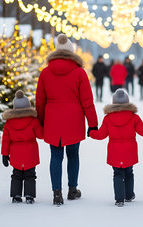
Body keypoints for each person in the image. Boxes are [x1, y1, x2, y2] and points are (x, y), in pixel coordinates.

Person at [36, 34, 98, 206]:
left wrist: (40, 121)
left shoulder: (45, 73)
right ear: (71, 52)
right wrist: (93, 124)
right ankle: (72, 189)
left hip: (53, 119)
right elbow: (87, 101)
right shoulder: (79, 72)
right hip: (74, 119)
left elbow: (39, 101)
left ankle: (57, 193)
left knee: (55, 156)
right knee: (73, 155)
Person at [89, 89, 143, 207]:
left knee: (117, 174)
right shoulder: (134, 117)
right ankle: (129, 195)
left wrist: (91, 132)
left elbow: (101, 135)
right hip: (129, 151)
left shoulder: (108, 118)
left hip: (114, 152)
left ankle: (119, 199)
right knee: (129, 172)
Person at [1, 90, 43, 204]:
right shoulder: (33, 121)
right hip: (30, 152)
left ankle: (16, 195)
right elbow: (40, 135)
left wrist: (5, 154)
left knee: (16, 175)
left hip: (16, 153)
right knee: (30, 174)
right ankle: (29, 195)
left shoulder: (9, 123)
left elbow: (6, 140)